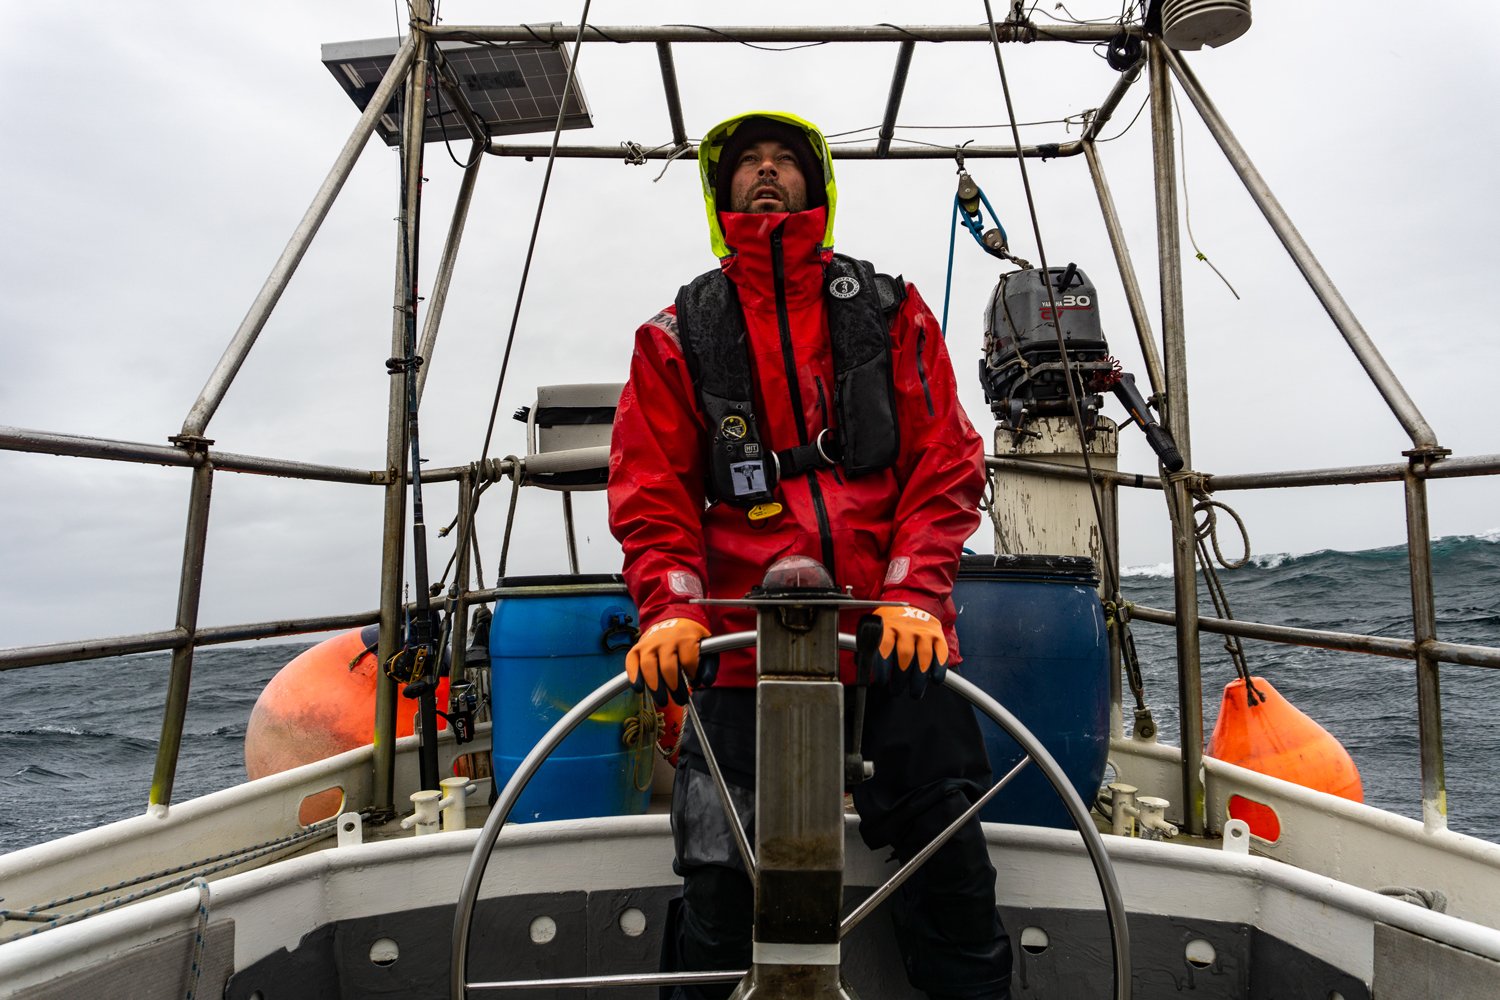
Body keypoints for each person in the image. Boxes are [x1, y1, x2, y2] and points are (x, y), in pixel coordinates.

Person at [607, 111, 1012, 1000]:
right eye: (747, 162)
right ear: (722, 193)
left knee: (951, 861)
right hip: (740, 650)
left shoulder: (890, 309)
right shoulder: (679, 333)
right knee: (715, 880)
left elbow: (946, 461)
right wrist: (673, 608)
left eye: (784, 161)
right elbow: (653, 492)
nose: (765, 173)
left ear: (815, 184)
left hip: (892, 637)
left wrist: (914, 594)